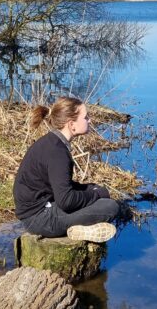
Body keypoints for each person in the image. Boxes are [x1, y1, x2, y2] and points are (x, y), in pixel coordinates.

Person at [14, 97, 120, 242]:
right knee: (110, 207)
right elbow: (66, 201)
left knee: (95, 193)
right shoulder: (57, 152)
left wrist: (89, 189)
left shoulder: (52, 143)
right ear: (72, 125)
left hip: (38, 211)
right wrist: (97, 195)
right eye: (86, 117)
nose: (89, 120)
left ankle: (79, 227)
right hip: (39, 219)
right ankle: (80, 230)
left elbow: (60, 186)